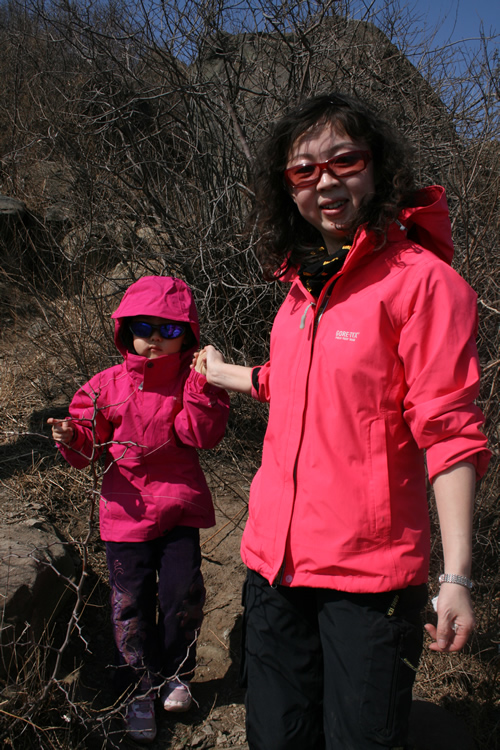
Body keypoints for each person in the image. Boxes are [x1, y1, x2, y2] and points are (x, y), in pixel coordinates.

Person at [198, 93, 491, 750]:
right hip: (273, 567)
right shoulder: (301, 290)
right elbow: (297, 385)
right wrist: (225, 374)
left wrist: (456, 576)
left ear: (377, 167)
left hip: (368, 579)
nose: (324, 182)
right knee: (275, 737)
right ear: (287, 187)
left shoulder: (423, 284)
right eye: (304, 169)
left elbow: (449, 430)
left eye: (344, 161)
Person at [48, 275, 230, 744]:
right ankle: (136, 691)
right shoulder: (106, 384)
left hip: (180, 508)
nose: (155, 339)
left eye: (169, 330)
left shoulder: (194, 381)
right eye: (143, 327)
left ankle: (176, 676)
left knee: (181, 597)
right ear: (126, 331)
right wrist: (71, 436)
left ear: (187, 335)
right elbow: (89, 447)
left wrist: (201, 386)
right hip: (125, 515)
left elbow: (201, 436)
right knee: (129, 605)